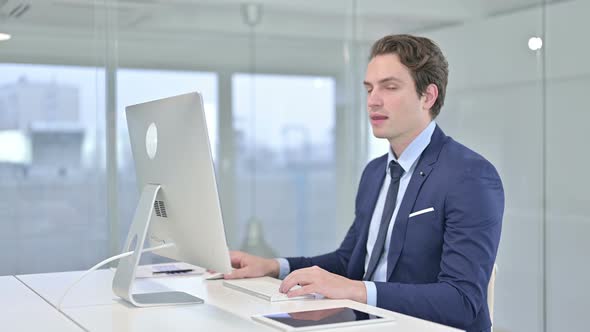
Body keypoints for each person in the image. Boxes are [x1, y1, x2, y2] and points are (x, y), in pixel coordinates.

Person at [224, 34, 504, 332]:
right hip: (368, 323)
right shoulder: (375, 173)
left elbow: (461, 301)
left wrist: (355, 290)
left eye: (390, 87)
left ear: (428, 96)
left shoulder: (470, 176)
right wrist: (272, 266)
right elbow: (349, 262)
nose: (373, 100)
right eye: (369, 88)